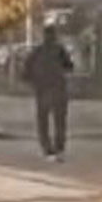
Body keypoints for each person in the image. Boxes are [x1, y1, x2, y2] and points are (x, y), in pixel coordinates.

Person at [22, 25, 75, 162]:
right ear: (55, 35)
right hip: (58, 89)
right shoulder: (60, 50)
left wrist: (32, 81)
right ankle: (59, 149)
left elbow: (26, 70)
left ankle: (47, 149)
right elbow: (69, 66)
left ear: (43, 36)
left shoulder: (37, 51)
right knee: (60, 121)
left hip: (42, 90)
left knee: (43, 121)